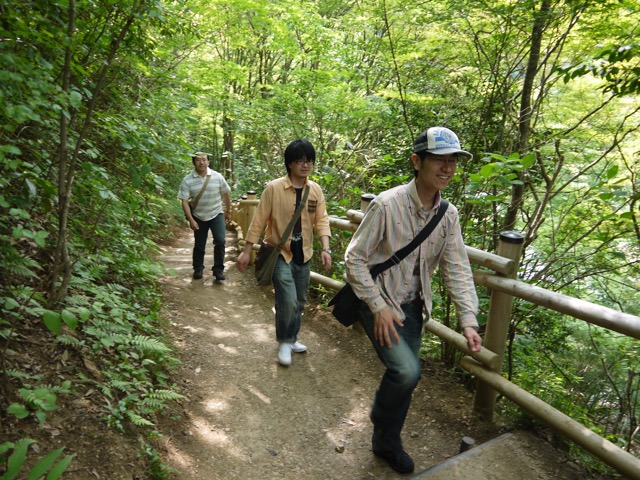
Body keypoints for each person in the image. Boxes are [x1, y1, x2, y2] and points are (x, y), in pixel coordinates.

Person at [344, 126, 482, 474]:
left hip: (414, 309)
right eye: (439, 160)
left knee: (407, 376)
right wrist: (377, 306)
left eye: (453, 161)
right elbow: (355, 258)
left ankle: (386, 439)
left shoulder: (447, 215)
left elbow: (457, 268)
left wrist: (468, 319)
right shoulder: (386, 205)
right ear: (417, 161)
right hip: (378, 299)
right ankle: (383, 427)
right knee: (406, 371)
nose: (447, 168)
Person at [236, 139, 332, 366]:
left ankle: (293, 337)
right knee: (287, 301)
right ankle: (284, 341)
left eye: (308, 160)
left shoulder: (315, 190)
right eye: (299, 160)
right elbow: (259, 220)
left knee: (299, 301)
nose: (305, 165)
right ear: (289, 163)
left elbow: (322, 220)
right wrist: (246, 250)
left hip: (304, 255)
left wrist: (326, 248)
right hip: (280, 253)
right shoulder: (274, 188)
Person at [178, 151, 232, 281]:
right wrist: (191, 219)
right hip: (198, 215)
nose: (201, 162)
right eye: (198, 160)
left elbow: (226, 194)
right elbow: (184, 201)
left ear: (208, 161)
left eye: (204, 160)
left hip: (216, 213)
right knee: (199, 243)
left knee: (220, 241)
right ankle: (198, 268)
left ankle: (218, 270)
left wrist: (228, 211)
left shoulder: (217, 176)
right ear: (194, 162)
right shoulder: (187, 180)